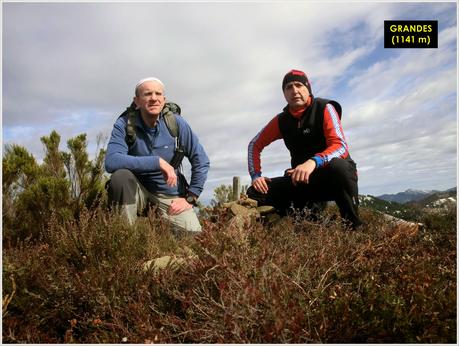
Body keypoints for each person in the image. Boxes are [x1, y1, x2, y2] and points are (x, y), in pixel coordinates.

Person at [247, 69, 363, 229]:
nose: (294, 90)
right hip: (302, 180)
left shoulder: (325, 108)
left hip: (332, 178)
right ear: (284, 94)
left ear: (308, 88)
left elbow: (340, 146)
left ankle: (353, 227)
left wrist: (313, 162)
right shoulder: (282, 120)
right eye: (288, 87)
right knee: (255, 192)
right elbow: (254, 145)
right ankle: (303, 221)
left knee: (340, 167)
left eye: (299, 85)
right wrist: (256, 175)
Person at [105, 77, 210, 233]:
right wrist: (157, 162)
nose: (153, 98)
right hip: (136, 190)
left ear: (163, 99)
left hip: (168, 194)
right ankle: (125, 238)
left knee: (193, 236)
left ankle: (163, 224)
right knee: (120, 177)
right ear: (137, 101)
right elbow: (111, 161)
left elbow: (201, 160)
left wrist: (191, 197)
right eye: (147, 94)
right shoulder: (124, 124)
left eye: (158, 94)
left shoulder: (176, 123)